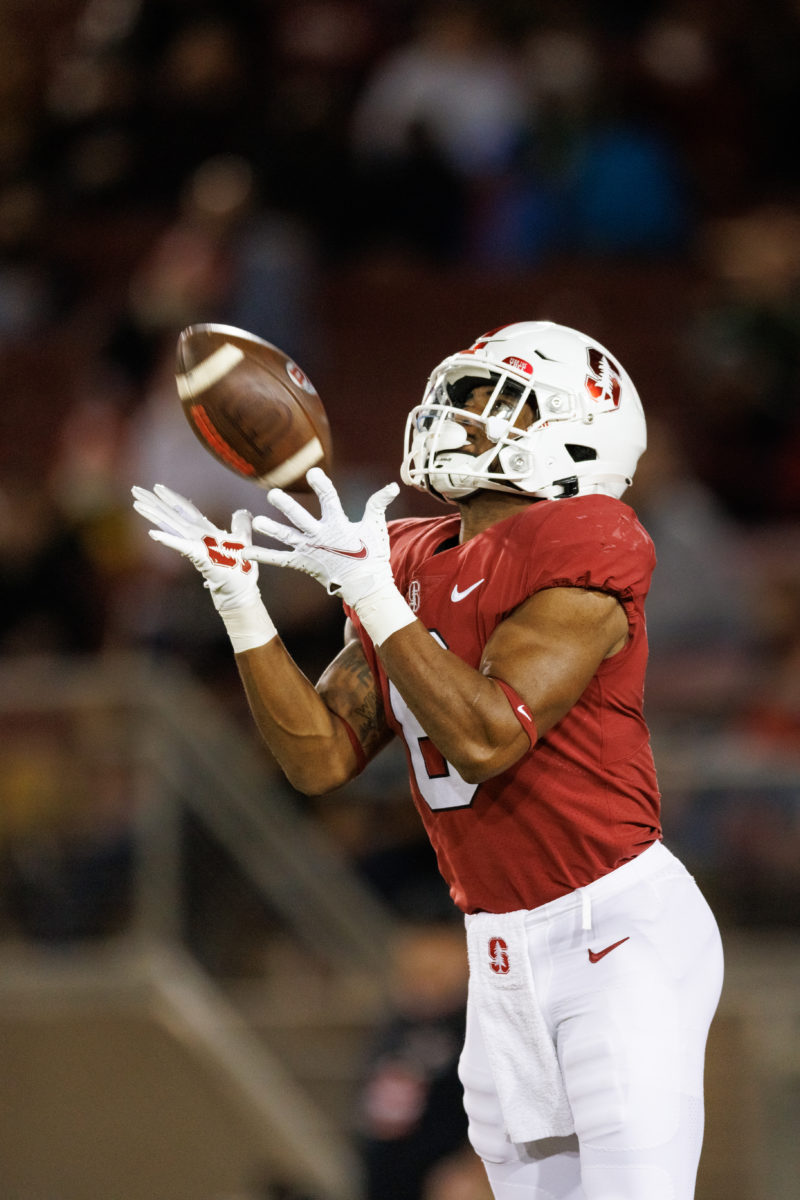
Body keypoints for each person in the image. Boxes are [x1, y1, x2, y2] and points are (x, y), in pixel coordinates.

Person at [132, 320, 724, 1199]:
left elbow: (486, 738)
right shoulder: (411, 558)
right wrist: (242, 607)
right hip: (496, 948)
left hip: (614, 930)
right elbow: (321, 759)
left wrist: (372, 593)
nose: (458, 414)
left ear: (578, 429)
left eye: (495, 402)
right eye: (459, 393)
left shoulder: (589, 547)